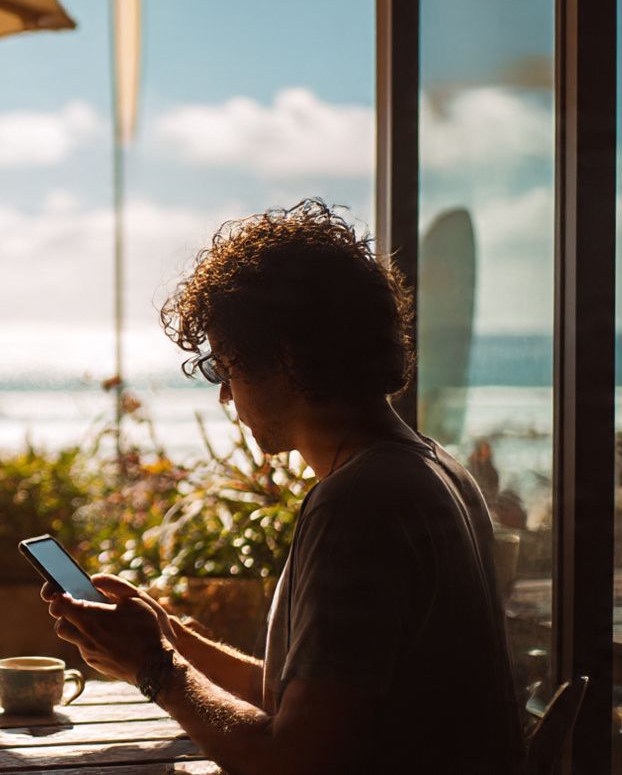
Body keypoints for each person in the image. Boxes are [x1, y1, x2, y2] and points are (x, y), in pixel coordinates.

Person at [43, 201, 522, 774]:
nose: (224, 397)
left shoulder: (360, 504)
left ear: (288, 358)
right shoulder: (437, 470)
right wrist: (166, 638)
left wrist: (155, 670)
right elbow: (303, 702)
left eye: (226, 368)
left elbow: (294, 762)